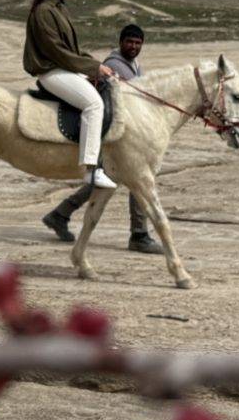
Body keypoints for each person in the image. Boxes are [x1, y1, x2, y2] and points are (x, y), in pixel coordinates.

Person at [42, 23, 162, 253]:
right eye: (130, 42)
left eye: (138, 43)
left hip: (120, 132)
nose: (134, 46)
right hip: (112, 133)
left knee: (108, 180)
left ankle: (60, 213)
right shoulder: (114, 65)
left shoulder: (134, 66)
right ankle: (139, 234)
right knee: (135, 178)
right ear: (121, 42)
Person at [23, 0, 119, 194]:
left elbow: (72, 51)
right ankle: (91, 169)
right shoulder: (44, 11)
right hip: (52, 71)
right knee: (94, 105)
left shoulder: (58, 8)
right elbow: (57, 52)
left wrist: (97, 65)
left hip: (63, 68)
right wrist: (93, 68)